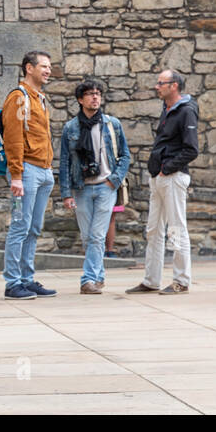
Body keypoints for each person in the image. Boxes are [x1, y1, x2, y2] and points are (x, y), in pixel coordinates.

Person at [128, 70, 199, 296]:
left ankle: (181, 281)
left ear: (174, 86)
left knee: (176, 229)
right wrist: (157, 172)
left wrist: (167, 169)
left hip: (173, 177)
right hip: (159, 177)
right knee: (153, 230)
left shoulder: (186, 111)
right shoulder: (167, 109)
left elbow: (191, 149)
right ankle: (151, 280)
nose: (156, 87)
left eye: (161, 83)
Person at [59, 80, 131, 294]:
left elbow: (125, 155)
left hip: (105, 187)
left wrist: (114, 180)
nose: (95, 98)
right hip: (81, 187)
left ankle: (87, 279)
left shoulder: (112, 124)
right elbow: (64, 163)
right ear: (80, 99)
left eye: (98, 94)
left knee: (98, 235)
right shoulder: (70, 128)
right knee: (87, 236)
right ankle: (98, 277)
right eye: (90, 94)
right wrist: (65, 193)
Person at [1, 51, 57, 301]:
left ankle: (26, 279)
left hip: (43, 171)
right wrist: (16, 175)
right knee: (20, 227)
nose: (48, 70)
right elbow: (13, 138)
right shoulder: (19, 97)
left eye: (49, 66)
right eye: (43, 66)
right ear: (29, 68)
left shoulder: (40, 98)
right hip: (27, 171)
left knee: (33, 229)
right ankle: (12, 283)